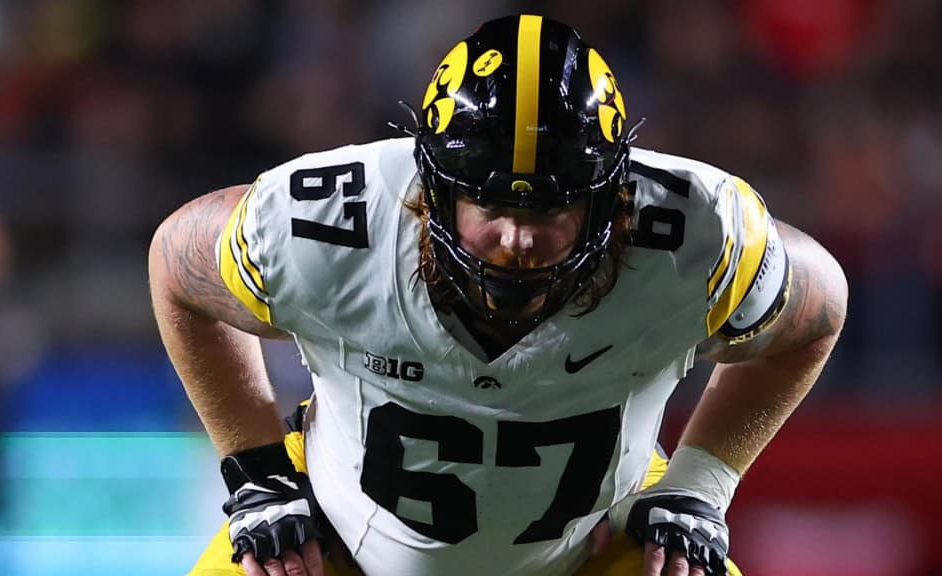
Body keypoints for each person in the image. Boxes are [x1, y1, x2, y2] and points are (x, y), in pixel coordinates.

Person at [149, 14, 847, 576]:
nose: (518, 238)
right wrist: (258, 474)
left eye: (550, 209)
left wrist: (700, 485)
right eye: (490, 205)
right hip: (336, 546)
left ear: (609, 198)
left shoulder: (697, 234)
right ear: (434, 191)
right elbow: (177, 269)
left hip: (596, 551)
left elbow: (819, 311)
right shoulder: (328, 227)